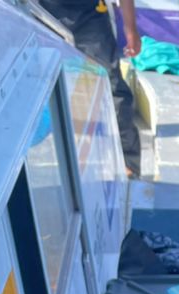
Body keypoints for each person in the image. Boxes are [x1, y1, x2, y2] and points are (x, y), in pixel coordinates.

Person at [40, 0, 142, 177]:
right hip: (41, 14)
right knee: (35, 86)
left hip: (89, 17)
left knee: (112, 87)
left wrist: (130, 28)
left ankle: (128, 163)